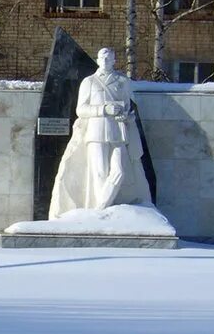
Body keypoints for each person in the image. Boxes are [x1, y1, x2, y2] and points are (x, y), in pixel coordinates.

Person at [49, 48, 151, 218]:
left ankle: (100, 208)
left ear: (114, 60)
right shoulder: (89, 82)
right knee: (99, 173)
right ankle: (101, 213)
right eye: (102, 58)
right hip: (96, 133)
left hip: (119, 133)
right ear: (97, 60)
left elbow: (127, 106)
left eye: (109, 58)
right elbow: (81, 109)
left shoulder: (122, 81)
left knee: (119, 171)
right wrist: (104, 109)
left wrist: (128, 116)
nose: (105, 60)